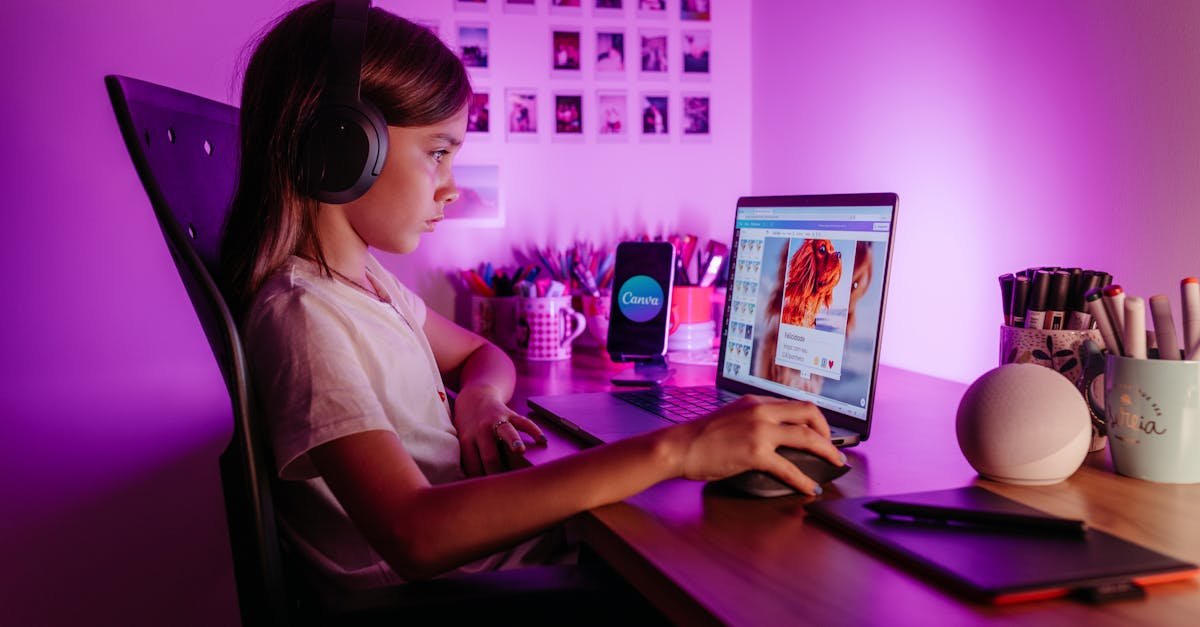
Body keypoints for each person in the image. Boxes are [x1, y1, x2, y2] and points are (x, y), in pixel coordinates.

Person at [220, 0, 843, 591]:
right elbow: (414, 534)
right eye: (436, 154)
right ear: (341, 150)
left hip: (507, 561)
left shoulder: (364, 286)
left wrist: (480, 404)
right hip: (465, 597)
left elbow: (479, 355)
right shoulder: (305, 317)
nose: (450, 188)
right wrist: (678, 447)